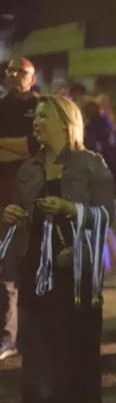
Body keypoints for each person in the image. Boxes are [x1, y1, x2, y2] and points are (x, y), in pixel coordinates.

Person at [1, 95, 114, 403]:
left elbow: (106, 216)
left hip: (78, 267)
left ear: (66, 124)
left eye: (43, 117)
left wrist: (69, 208)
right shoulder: (29, 168)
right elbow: (21, 214)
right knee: (36, 344)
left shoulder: (92, 164)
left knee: (81, 341)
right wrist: (12, 216)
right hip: (35, 265)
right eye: (35, 117)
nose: (36, 123)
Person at [0, 58, 39, 361]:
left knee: (32, 265)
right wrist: (21, 147)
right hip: (3, 197)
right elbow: (27, 147)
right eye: (11, 71)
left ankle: (28, 336)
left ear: (32, 77)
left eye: (22, 72)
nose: (15, 76)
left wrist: (7, 145)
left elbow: (35, 147)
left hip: (31, 196)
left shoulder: (41, 106)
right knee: (6, 268)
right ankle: (8, 336)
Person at [82, 100, 116, 280]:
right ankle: (113, 266)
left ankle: (110, 266)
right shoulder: (111, 131)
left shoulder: (88, 134)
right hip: (111, 184)